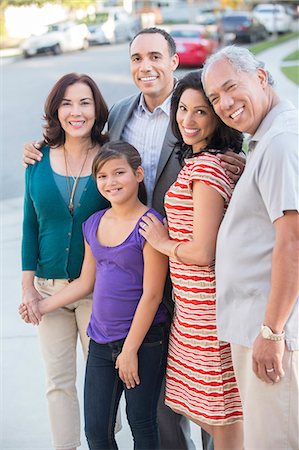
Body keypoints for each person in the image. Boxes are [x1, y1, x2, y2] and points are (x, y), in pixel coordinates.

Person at [21, 28, 245, 450]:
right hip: (134, 264)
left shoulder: (193, 108)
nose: (146, 67)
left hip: (187, 262)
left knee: (209, 383)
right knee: (161, 394)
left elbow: (222, 142)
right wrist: (37, 149)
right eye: (137, 58)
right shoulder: (121, 112)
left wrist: (239, 158)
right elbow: (87, 148)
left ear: (174, 62)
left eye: (156, 57)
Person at [21, 141, 169, 450]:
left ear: (138, 174)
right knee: (97, 431)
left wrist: (130, 351)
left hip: (143, 342)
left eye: (119, 173)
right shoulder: (94, 223)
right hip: (101, 341)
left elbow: (152, 295)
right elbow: (86, 282)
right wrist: (42, 304)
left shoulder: (150, 226)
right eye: (102, 176)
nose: (110, 182)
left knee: (141, 424)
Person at [139, 70, 244, 450]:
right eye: (183, 109)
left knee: (225, 421)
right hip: (192, 308)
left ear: (217, 117)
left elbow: (203, 251)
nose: (188, 120)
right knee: (208, 411)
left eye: (201, 112)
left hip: (208, 310)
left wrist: (162, 242)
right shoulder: (203, 163)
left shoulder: (206, 168)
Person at [202, 46, 299, 449]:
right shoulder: (265, 141)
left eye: (231, 88)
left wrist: (271, 332)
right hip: (261, 327)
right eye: (214, 98)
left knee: (273, 440)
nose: (224, 104)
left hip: (272, 331)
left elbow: (293, 242)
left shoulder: (279, 142)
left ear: (260, 77)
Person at [20, 72, 115, 450]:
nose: (76, 112)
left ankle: (103, 439)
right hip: (47, 288)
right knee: (58, 382)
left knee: (102, 382)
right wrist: (27, 287)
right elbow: (30, 225)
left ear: (97, 109)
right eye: (67, 103)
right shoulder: (37, 159)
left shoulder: (110, 157)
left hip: (98, 292)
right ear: (55, 110)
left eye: (85, 103)